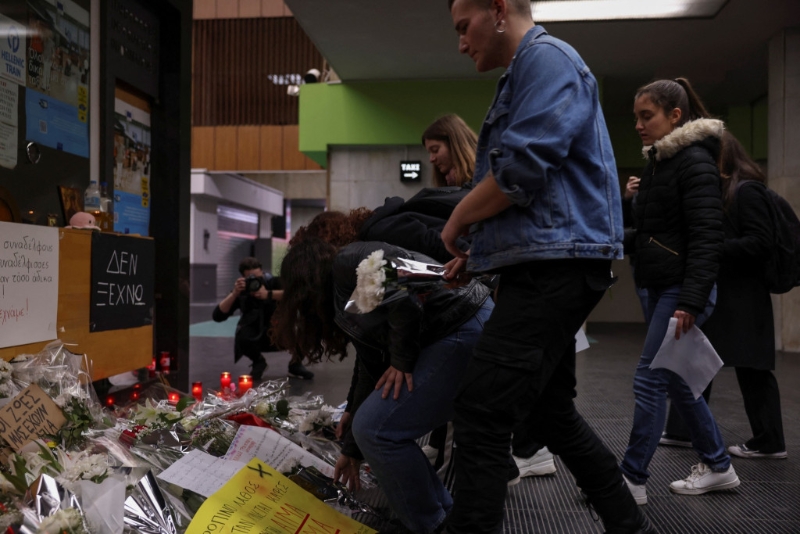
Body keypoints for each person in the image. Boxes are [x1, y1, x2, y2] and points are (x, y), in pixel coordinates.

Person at [440, 1, 652, 532]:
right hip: (551, 264)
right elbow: (537, 191)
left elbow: (523, 169)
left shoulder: (548, 59)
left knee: (481, 415)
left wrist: (459, 220)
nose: (462, 43)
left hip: (554, 271)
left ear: (497, 10)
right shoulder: (532, 67)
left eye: (465, 28)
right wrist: (481, 250)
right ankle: (629, 523)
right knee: (547, 413)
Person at [272, 238, 493, 534]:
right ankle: (442, 517)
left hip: (461, 325)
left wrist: (401, 361)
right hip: (456, 328)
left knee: (376, 430)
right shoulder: (342, 295)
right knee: (370, 428)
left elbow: (403, 296)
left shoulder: (348, 262)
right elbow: (370, 364)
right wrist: (351, 448)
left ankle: (433, 525)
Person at [619, 78, 739, 505]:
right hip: (662, 285)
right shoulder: (659, 164)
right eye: (636, 117)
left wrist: (690, 299)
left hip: (680, 290)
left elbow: (707, 235)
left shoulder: (693, 162)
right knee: (678, 381)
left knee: (649, 379)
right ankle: (719, 465)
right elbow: (654, 233)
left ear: (675, 116)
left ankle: (630, 479)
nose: (638, 125)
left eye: (646, 116)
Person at [661, 132, 787, 459]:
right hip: (726, 294)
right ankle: (683, 430)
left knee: (751, 370)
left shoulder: (747, 191)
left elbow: (761, 242)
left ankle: (770, 441)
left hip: (745, 298)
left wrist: (711, 249)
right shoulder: (720, 192)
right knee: (698, 360)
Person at [212, 256, 314, 380]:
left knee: (308, 328)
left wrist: (269, 294)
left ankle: (296, 363)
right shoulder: (243, 291)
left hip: (280, 333)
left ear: (262, 272)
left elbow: (298, 295)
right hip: (256, 337)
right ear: (243, 278)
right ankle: (258, 362)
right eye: (250, 279)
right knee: (241, 334)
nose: (255, 281)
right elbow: (218, 316)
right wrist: (234, 294)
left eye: (258, 277)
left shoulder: (274, 282)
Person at [422, 114, 478, 187]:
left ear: (455, 145)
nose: (431, 159)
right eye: (430, 153)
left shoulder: (488, 178)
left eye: (435, 150)